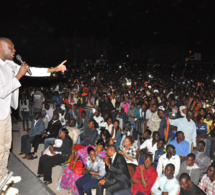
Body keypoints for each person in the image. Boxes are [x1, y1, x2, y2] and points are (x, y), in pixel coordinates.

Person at [0, 37, 66, 187]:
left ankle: (3, 175)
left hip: (5, 114)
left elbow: (31, 71)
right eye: (11, 48)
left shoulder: (9, 64)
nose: (14, 50)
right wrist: (19, 75)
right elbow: (2, 92)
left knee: (5, 147)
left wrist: (54, 69)